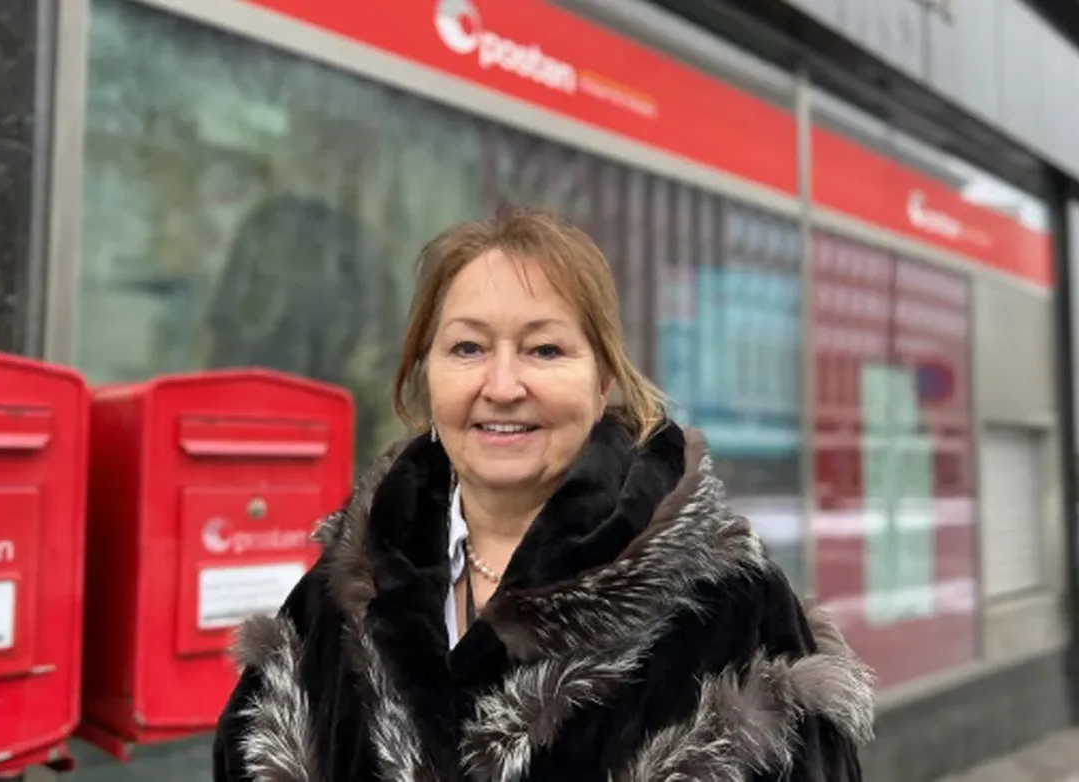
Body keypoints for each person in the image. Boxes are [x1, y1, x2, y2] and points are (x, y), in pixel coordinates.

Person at [212, 208, 874, 781]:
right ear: (427, 374)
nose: (501, 385)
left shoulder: (730, 602)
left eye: (544, 351)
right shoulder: (344, 591)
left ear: (602, 378)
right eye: (467, 348)